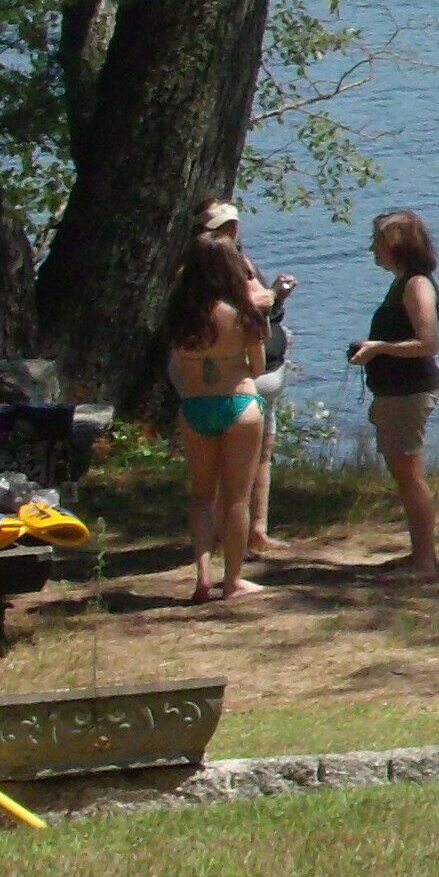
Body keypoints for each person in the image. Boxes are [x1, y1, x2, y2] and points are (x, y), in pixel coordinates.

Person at [165, 233, 273, 604]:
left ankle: (201, 577)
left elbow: (178, 365)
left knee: (201, 496)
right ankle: (233, 579)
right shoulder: (242, 314)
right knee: (237, 499)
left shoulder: (179, 316)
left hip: (195, 405)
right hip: (238, 403)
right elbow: (258, 368)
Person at [342, 208, 439, 574]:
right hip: (395, 391)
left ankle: (424, 560)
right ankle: (420, 554)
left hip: (409, 391)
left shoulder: (416, 285)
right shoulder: (401, 282)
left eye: (377, 242)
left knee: (409, 474)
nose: (372, 249)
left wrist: (380, 349)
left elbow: (428, 342)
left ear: (395, 246)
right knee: (404, 474)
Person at [200, 200, 295, 560]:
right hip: (237, 376)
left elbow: (262, 314)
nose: (232, 233)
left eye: (232, 226)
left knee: (263, 455)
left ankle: (257, 530)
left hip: (267, 368)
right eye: (222, 228)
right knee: (232, 463)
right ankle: (227, 536)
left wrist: (277, 298)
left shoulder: (245, 264)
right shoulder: (203, 276)